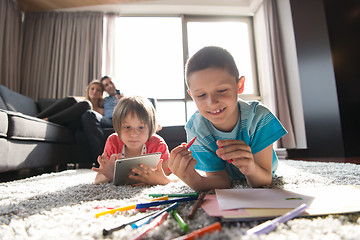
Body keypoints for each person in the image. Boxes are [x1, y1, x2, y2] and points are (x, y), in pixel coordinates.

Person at [167, 46, 287, 191]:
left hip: (261, 171)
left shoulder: (259, 117)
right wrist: (191, 178)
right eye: (201, 95)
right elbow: (221, 180)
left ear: (239, 85)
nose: (212, 102)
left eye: (222, 90)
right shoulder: (195, 128)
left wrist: (250, 167)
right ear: (192, 95)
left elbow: (263, 180)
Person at [92, 96, 172, 185]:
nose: (134, 134)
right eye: (127, 127)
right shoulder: (113, 141)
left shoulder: (158, 144)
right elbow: (97, 180)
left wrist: (159, 180)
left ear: (150, 128)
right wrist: (110, 176)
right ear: (118, 127)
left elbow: (171, 177)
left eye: (141, 127)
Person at [36, 80, 104, 131]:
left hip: (76, 125)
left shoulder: (101, 109)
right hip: (64, 120)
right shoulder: (81, 101)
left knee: (87, 105)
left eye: (98, 90)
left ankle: (48, 120)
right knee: (72, 100)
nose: (94, 92)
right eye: (92, 89)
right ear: (88, 90)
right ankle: (37, 118)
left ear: (101, 94)